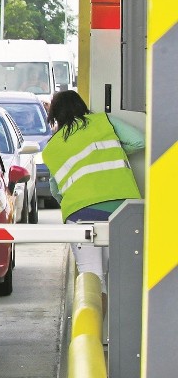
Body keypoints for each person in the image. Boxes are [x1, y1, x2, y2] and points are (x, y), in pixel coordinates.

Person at [42, 90, 145, 315]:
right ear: (81, 105)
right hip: (122, 212)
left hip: (81, 215)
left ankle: (94, 341)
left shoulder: (51, 148)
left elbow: (55, 190)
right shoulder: (103, 121)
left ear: (55, 117)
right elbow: (140, 140)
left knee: (93, 280)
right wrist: (117, 152)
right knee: (128, 279)